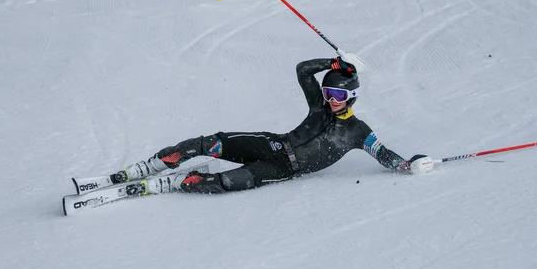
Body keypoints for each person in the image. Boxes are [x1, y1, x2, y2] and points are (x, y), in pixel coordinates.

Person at [110, 54, 432, 194]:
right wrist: (334, 64)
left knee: (227, 184)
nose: (332, 99)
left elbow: (385, 155)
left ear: (351, 97)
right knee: (211, 142)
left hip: (282, 170)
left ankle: (178, 183)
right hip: (275, 144)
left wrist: (407, 165)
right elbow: (303, 70)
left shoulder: (359, 132)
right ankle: (152, 165)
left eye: (338, 94)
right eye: (328, 91)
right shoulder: (319, 107)